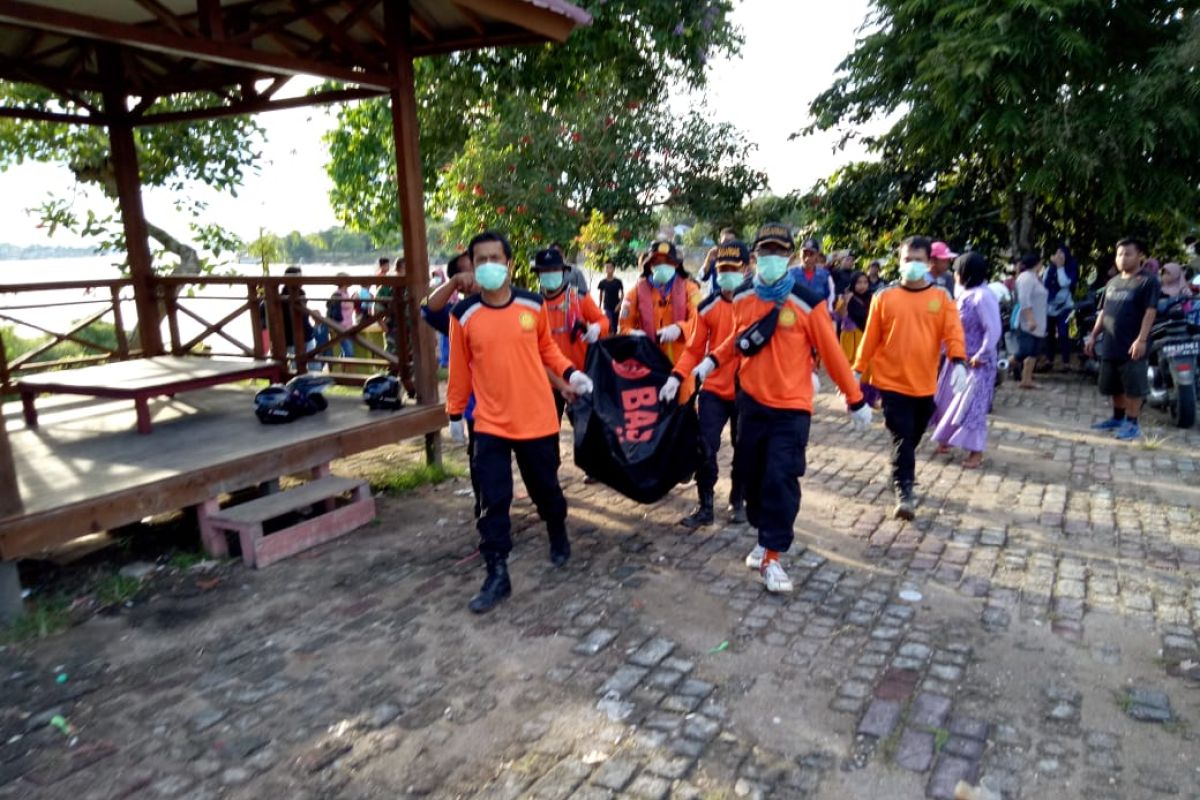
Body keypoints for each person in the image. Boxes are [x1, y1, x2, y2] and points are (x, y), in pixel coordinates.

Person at [675, 223, 872, 593]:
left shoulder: (807, 302)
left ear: (790, 258)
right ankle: (764, 538)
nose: (771, 260)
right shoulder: (745, 297)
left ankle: (772, 555)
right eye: (765, 253)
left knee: (781, 477)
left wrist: (855, 398)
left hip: (792, 407)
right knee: (750, 476)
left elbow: (831, 353)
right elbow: (739, 338)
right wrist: (710, 362)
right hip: (751, 402)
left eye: (779, 254)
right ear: (755, 258)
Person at [447, 231, 595, 613]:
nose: (489, 265)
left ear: (509, 264)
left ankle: (556, 529)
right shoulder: (464, 314)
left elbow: (546, 348)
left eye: (496, 258)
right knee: (492, 500)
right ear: (473, 266)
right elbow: (460, 369)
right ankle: (497, 573)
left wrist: (569, 373)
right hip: (490, 423)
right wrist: (454, 413)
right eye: (481, 260)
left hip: (536, 418)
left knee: (545, 489)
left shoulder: (531, 304)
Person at [854, 235, 968, 521]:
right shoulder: (884, 297)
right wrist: (855, 371)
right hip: (891, 383)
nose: (913, 265)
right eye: (908, 260)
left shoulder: (941, 298)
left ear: (929, 263)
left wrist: (958, 363)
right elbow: (870, 338)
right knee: (902, 437)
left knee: (912, 437)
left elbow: (953, 333)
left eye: (919, 260)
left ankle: (897, 471)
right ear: (899, 262)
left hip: (924, 383)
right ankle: (905, 491)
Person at [670, 240, 751, 528]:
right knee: (704, 445)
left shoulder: (757, 304)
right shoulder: (708, 307)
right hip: (715, 389)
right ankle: (705, 506)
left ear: (748, 267)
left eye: (733, 268)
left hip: (748, 390)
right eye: (722, 268)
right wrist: (677, 376)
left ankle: (737, 500)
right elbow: (693, 349)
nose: (728, 274)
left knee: (744, 447)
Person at [931, 253, 1003, 469]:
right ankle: (946, 439)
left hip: (976, 363)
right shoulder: (966, 294)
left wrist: (981, 354)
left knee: (972, 406)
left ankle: (975, 453)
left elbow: (994, 329)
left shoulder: (983, 296)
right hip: (958, 359)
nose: (954, 274)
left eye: (957, 270)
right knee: (947, 400)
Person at [1085, 238, 1159, 441]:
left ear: (1140, 256)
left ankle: (1132, 423)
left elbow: (1150, 312)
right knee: (1113, 384)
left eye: (1128, 254)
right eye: (1119, 254)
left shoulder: (1147, 281)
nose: (1122, 258)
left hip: (1132, 344)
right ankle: (1117, 418)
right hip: (1110, 343)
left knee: (1134, 386)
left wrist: (1141, 340)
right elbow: (1103, 311)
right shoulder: (1112, 282)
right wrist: (1093, 336)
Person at [532, 247, 608, 419]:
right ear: (538, 274)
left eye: (554, 270)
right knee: (548, 434)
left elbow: (604, 321)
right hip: (549, 381)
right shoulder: (533, 306)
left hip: (580, 376)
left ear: (563, 271)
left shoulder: (579, 298)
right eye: (545, 271)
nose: (550, 273)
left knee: (586, 434)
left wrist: (596, 329)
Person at [619, 239, 700, 365]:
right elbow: (624, 327)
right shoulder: (634, 292)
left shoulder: (690, 289)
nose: (662, 265)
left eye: (668, 262)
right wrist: (634, 333)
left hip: (682, 363)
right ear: (650, 265)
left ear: (676, 264)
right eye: (657, 262)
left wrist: (680, 328)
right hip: (648, 361)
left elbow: (699, 320)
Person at [835, 271, 880, 408]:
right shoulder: (846, 297)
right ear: (853, 284)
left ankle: (869, 398)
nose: (862, 286)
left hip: (867, 337)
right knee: (852, 368)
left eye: (865, 282)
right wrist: (845, 302)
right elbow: (839, 315)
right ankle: (853, 398)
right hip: (850, 340)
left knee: (869, 368)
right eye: (859, 282)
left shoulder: (873, 298)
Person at [1014, 252, 1048, 389]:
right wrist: (1030, 319)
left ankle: (1026, 379)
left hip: (1039, 320)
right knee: (1024, 351)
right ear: (1037, 264)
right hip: (1029, 321)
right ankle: (1002, 366)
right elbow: (1024, 299)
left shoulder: (1035, 278)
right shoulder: (1025, 278)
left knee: (1033, 351)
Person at [1042, 245, 1077, 371]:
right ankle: (1049, 361)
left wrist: (1060, 267)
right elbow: (1044, 283)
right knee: (1049, 334)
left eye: (1062, 254)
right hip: (1049, 306)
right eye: (1057, 253)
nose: (1059, 256)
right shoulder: (1049, 269)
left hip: (1064, 307)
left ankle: (1066, 363)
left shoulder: (1070, 268)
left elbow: (1064, 283)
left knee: (1063, 334)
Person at [280, 265, 318, 371]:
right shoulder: (283, 296)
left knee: (313, 362)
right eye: (299, 277)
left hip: (306, 332)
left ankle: (314, 383)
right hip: (291, 336)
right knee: (296, 365)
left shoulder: (301, 293)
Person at [789, 237, 836, 313]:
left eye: (811, 254)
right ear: (799, 254)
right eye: (804, 254)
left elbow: (830, 298)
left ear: (817, 255)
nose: (807, 258)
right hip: (796, 317)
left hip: (818, 316)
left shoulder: (825, 275)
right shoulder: (790, 273)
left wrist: (828, 314)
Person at [324, 273, 358, 365]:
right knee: (349, 352)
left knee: (347, 350)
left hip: (348, 325)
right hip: (341, 326)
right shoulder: (337, 294)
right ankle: (346, 374)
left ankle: (343, 370)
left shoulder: (346, 293)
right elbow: (336, 308)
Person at [700, 227, 740, 294]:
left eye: (732, 241)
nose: (729, 244)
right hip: (716, 300)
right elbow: (703, 277)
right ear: (719, 242)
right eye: (726, 241)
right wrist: (708, 259)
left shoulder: (741, 259)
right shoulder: (714, 257)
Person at [595, 260, 624, 336]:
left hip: (616, 306)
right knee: (609, 323)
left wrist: (619, 304)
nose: (608, 269)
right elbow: (601, 294)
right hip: (607, 306)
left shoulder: (618, 281)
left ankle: (614, 339)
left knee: (615, 325)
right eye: (607, 267)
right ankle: (610, 339)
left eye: (610, 267)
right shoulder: (602, 282)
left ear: (614, 269)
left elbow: (622, 294)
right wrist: (600, 305)